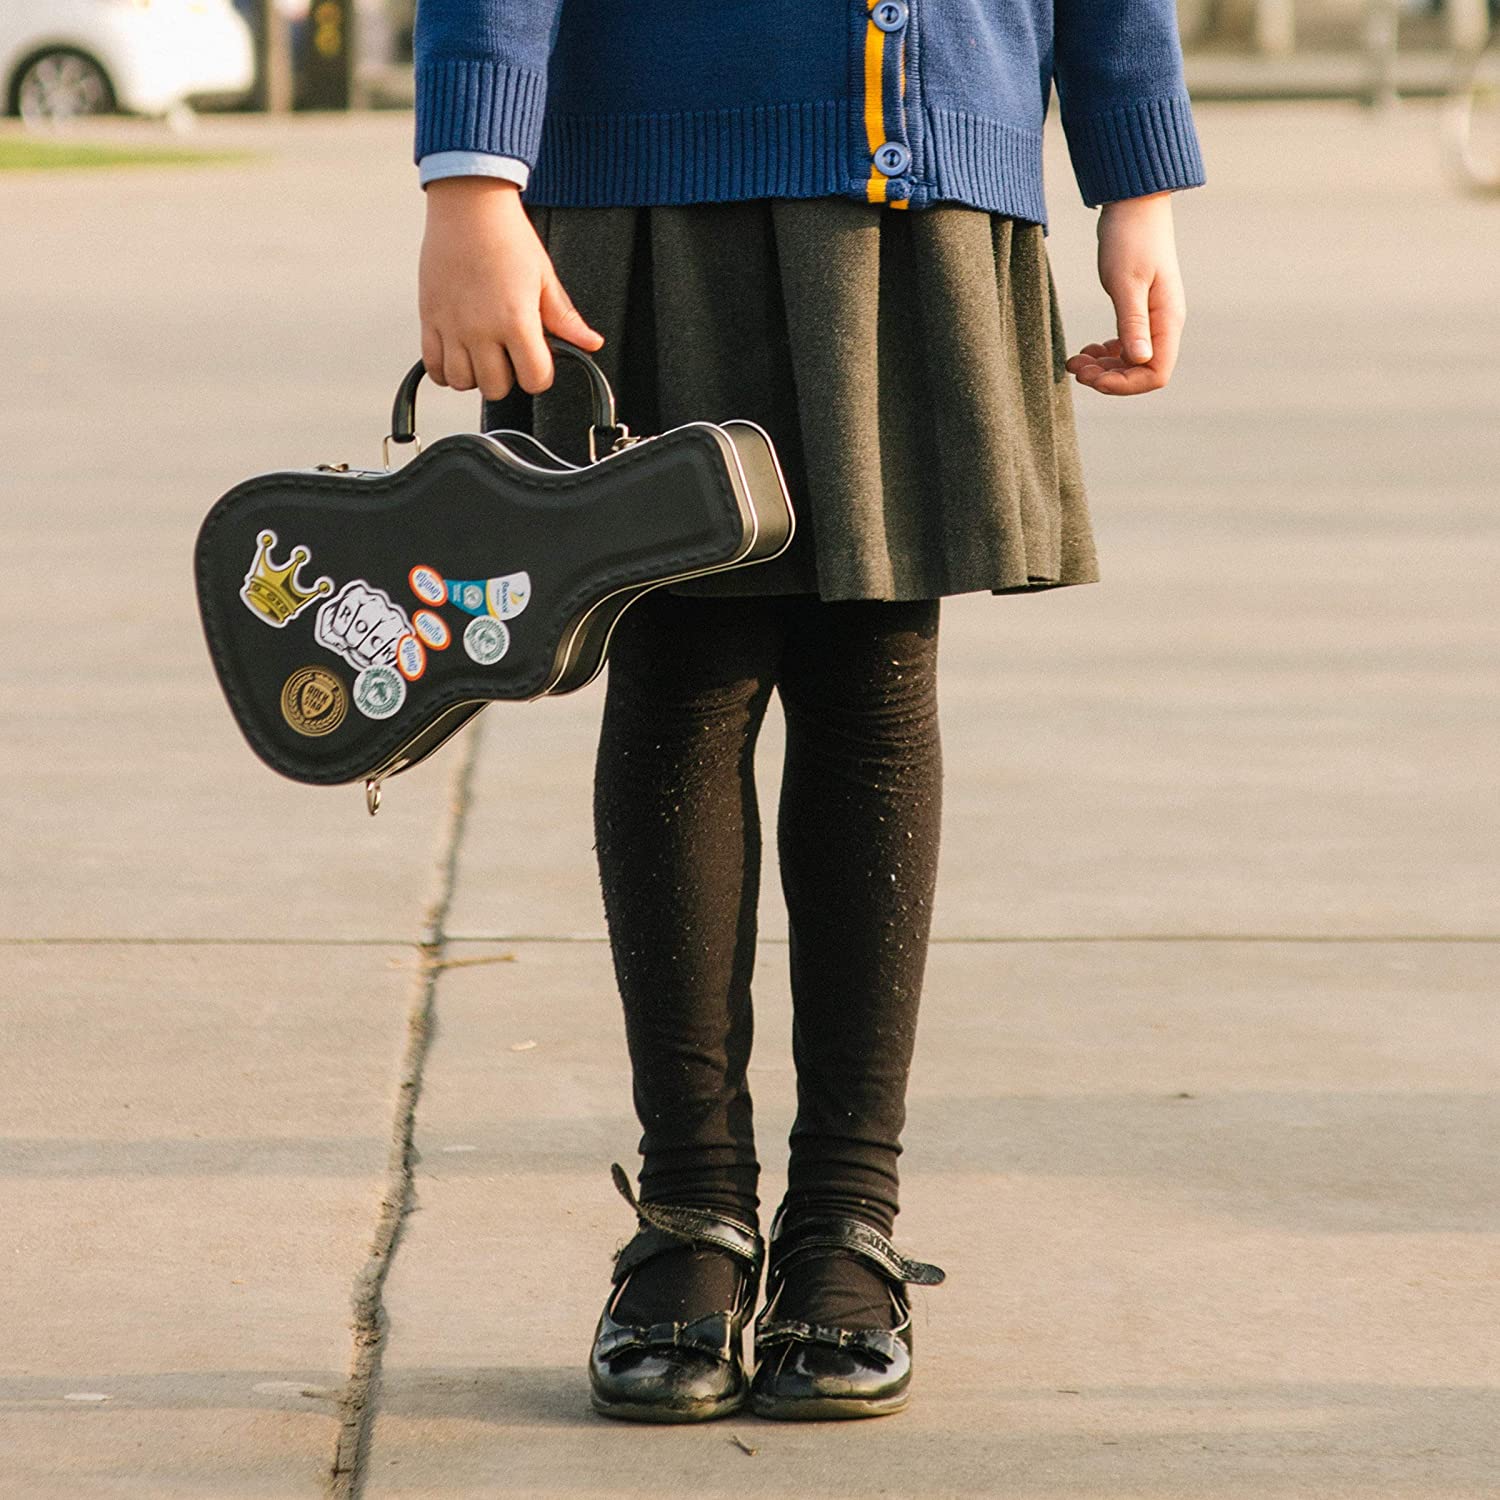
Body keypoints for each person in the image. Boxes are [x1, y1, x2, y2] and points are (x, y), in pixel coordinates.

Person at [411, 0, 1205, 1424]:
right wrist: (473, 174)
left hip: (931, 183)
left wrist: (1133, 180)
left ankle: (848, 1218)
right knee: (681, 677)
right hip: (652, 175)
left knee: (874, 684)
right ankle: (694, 1218)